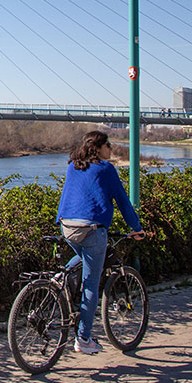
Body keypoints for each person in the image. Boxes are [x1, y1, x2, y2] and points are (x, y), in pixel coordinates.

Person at [56, 130, 145, 354]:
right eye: (108, 145)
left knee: (87, 257)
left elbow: (66, 196)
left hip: (67, 227)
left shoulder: (73, 166)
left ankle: (61, 277)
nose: (111, 149)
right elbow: (123, 202)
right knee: (91, 286)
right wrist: (137, 228)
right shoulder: (106, 170)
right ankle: (83, 339)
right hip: (92, 230)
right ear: (97, 147)